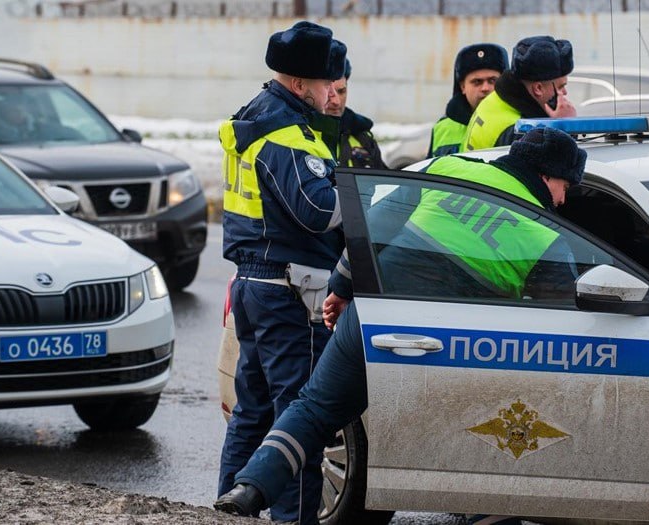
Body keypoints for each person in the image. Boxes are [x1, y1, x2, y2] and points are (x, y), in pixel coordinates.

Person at [214, 128, 588, 523]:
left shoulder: (448, 168)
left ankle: (248, 489)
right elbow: (560, 322)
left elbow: (371, 229)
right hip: (450, 345)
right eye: (565, 186)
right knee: (479, 438)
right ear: (547, 176)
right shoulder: (547, 235)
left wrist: (341, 289)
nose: (563, 199)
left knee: (313, 409)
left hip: (377, 316)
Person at [216, 20, 347, 525]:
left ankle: (229, 511)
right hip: (288, 289)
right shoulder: (285, 133)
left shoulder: (255, 116)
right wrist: (362, 203)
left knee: (252, 413)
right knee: (297, 418)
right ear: (300, 84)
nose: (332, 91)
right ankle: (293, 520)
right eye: (325, 83)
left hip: (255, 284)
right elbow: (315, 211)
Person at [462, 36, 577, 152]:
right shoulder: (520, 131)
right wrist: (565, 127)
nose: (564, 93)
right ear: (538, 88)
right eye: (561, 86)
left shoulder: (495, 99)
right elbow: (560, 166)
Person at [427, 43, 508, 158]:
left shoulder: (517, 125)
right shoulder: (442, 128)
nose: (485, 88)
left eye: (492, 81)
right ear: (463, 87)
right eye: (477, 82)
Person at [313, 59, 388, 169]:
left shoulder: (362, 137)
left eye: (341, 91)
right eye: (329, 93)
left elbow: (382, 183)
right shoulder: (300, 135)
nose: (336, 101)